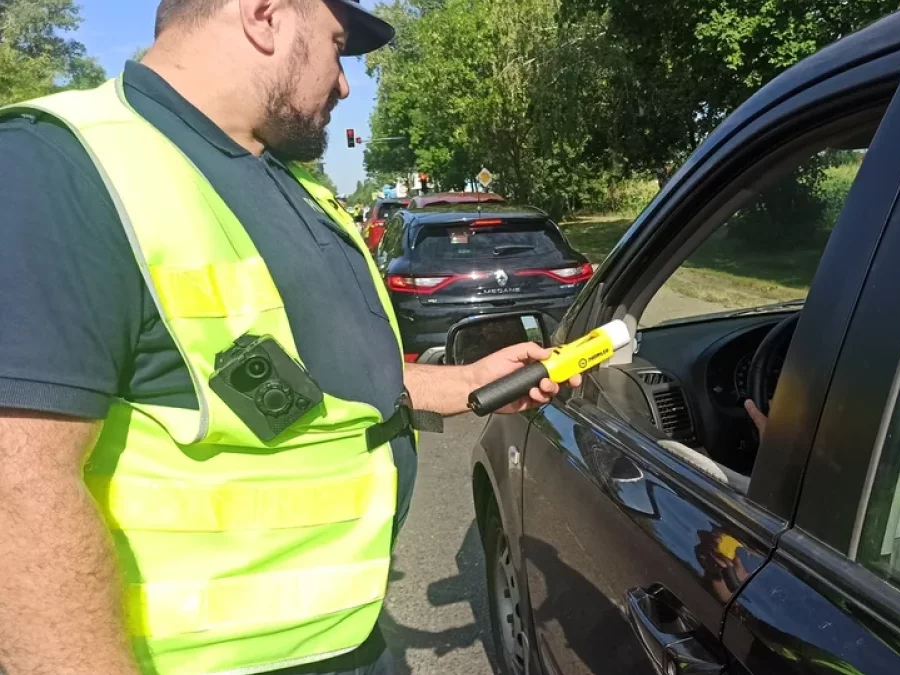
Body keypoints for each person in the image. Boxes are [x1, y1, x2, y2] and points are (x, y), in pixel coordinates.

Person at [0, 2, 579, 675]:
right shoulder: (59, 168)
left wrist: (460, 381)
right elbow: (19, 492)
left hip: (348, 641)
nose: (342, 82)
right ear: (264, 17)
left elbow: (298, 378)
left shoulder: (288, 182)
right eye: (336, 47)